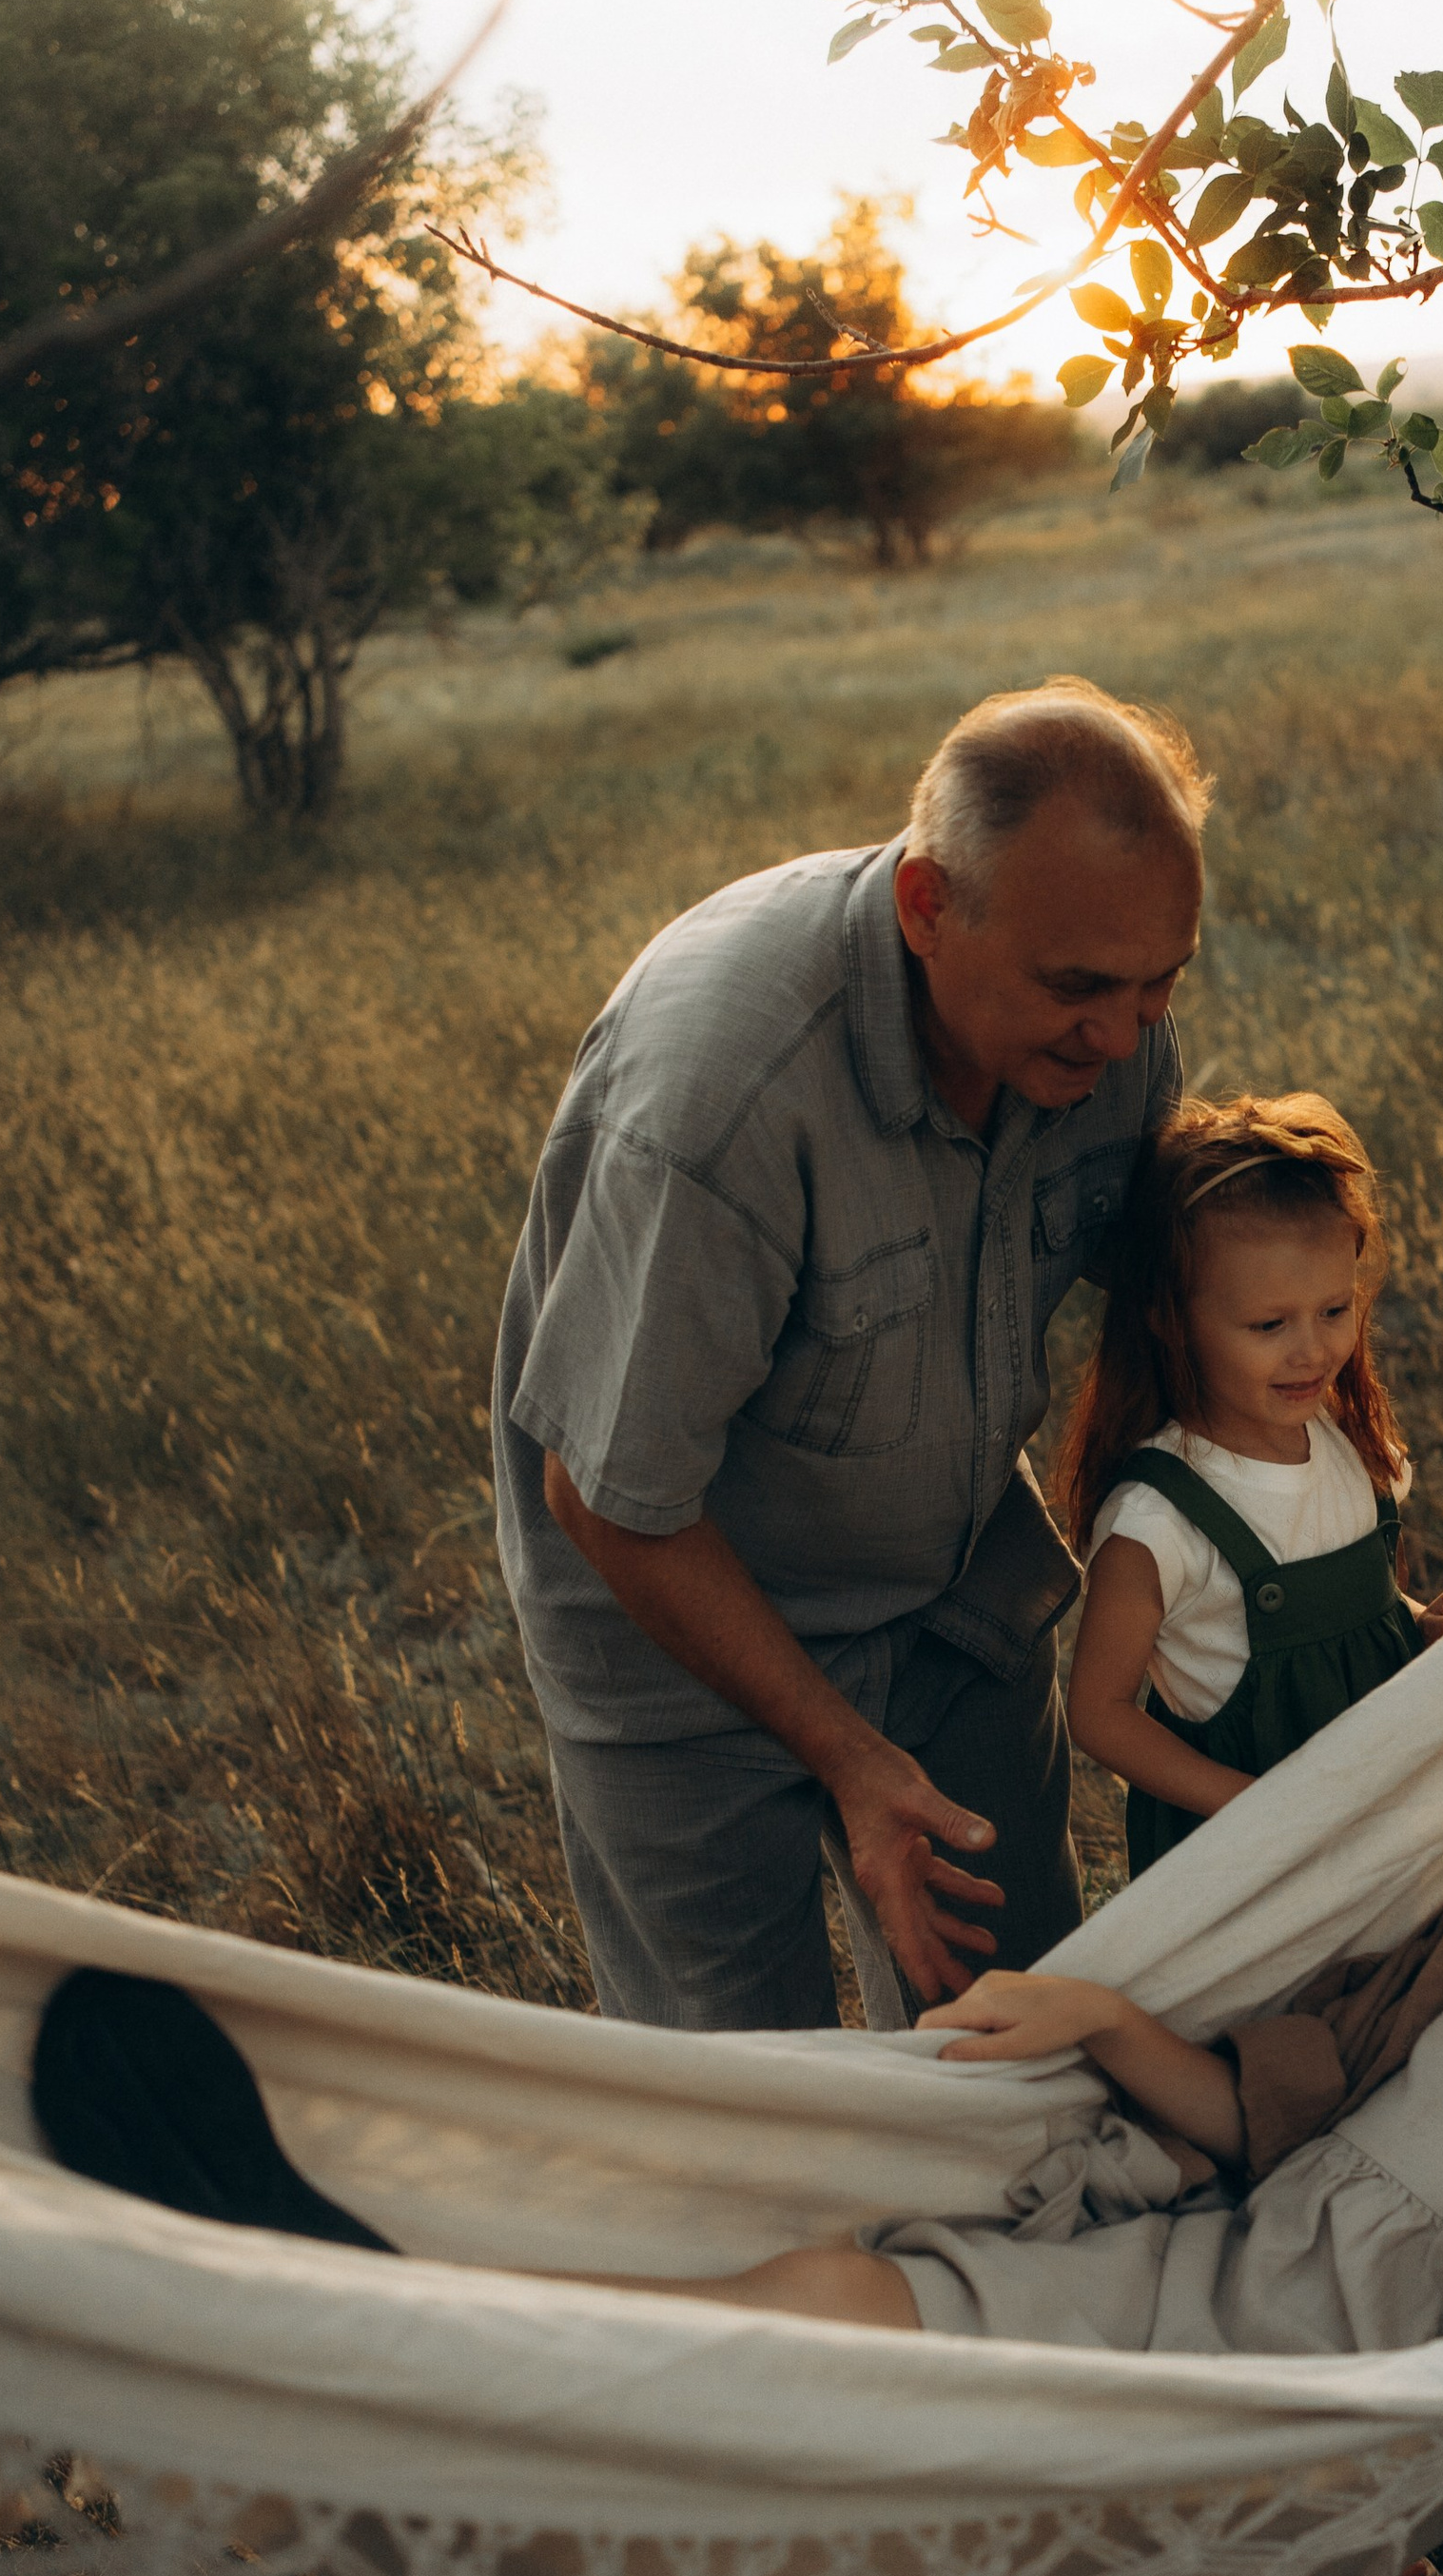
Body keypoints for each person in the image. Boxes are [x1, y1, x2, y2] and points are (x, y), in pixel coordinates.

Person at [29, 1622, 1443, 2452]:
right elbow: (1260, 2113)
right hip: (1172, 2279)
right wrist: (1106, 2017)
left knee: (795, 2357)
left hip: (1271, 2417)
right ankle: (349, 2291)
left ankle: (343, 2337)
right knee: (804, 2274)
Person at [489, 678, 1204, 2032]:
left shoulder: (1114, 1034)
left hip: (945, 1603)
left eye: (1163, 981)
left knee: (1016, 2047)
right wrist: (847, 1761)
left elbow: (1169, 1317)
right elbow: (608, 1500)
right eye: (1079, 989)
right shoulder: (722, 1095)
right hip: (673, 1642)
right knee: (751, 2115)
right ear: (928, 908)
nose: (1124, 1039)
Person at [1054, 1095, 1443, 1875]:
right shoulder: (1160, 1520)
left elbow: (1335, 1638)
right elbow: (1099, 1714)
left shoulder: (1340, 1441)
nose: (1312, 1351)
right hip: (1246, 1863)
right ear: (1170, 1317)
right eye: (1270, 1326)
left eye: (1334, 1310)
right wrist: (1255, 1808)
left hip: (1378, 1817)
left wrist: (1415, 1626)